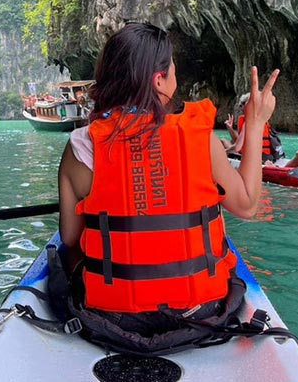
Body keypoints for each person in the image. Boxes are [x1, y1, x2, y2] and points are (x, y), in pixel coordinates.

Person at [56, 22, 278, 352]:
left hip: (115, 317)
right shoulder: (202, 139)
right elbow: (246, 205)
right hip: (199, 311)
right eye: (173, 69)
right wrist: (256, 123)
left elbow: (69, 237)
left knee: (70, 254)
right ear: (159, 79)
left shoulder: (81, 144)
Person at [225, 94, 285, 163]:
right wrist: (230, 128)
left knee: (223, 142)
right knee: (228, 142)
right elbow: (239, 142)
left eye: (243, 104)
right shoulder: (263, 119)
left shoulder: (247, 120)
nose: (240, 107)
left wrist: (224, 152)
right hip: (268, 156)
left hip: (256, 158)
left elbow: (237, 146)